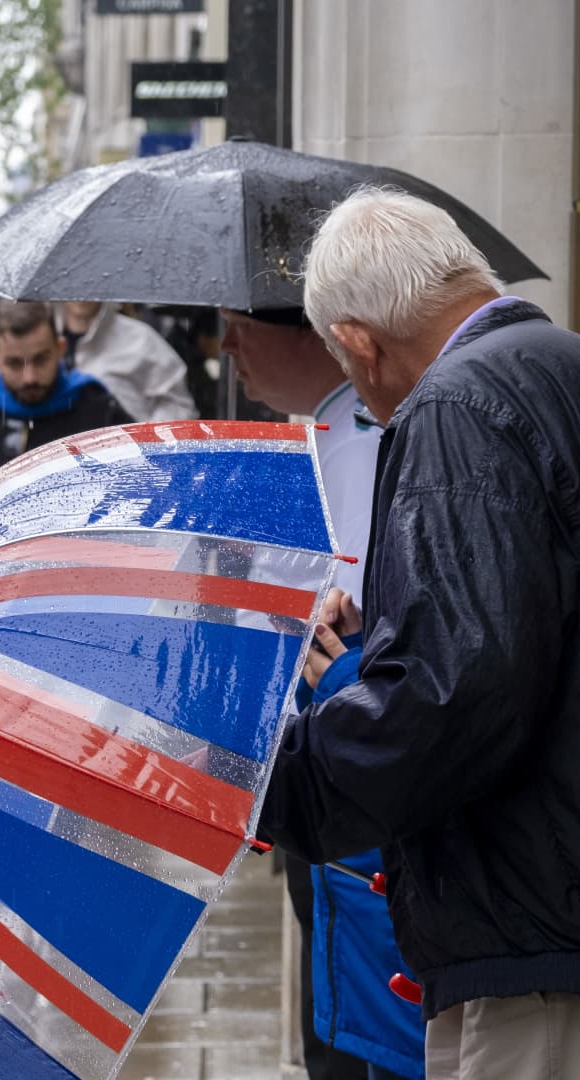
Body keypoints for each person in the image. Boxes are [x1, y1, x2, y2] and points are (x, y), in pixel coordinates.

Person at [261, 188, 580, 1080]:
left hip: (566, 952)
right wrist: (390, 639)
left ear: (360, 341)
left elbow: (451, 700)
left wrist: (280, 776)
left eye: (349, 367)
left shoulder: (455, 408)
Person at [222, 305, 396, 1080]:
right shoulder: (318, 431)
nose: (224, 348)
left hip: (367, 769)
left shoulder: (383, 434)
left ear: (311, 333)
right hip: (317, 762)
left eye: (238, 325)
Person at [0, 300, 133, 531]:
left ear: (60, 349)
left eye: (40, 360)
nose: (29, 377)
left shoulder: (96, 407)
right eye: (14, 364)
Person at [58, 300, 196, 422]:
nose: (82, 295)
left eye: (88, 282)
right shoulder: (41, 336)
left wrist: (145, 438)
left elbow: (179, 406)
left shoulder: (141, 339)